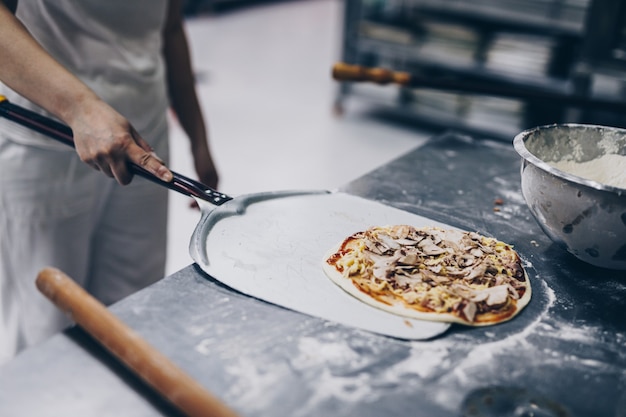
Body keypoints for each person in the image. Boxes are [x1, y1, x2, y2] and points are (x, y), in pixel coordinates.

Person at [0, 0, 219, 364]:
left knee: (135, 316)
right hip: (46, 144)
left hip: (143, 143)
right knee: (48, 333)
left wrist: (198, 138)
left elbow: (169, 24)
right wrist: (79, 107)